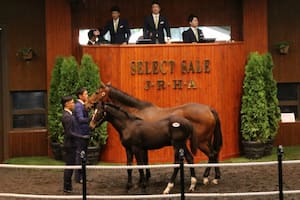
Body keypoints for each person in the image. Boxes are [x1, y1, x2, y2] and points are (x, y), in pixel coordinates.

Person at [61, 95, 89, 193]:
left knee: (71, 165)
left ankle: (68, 186)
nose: (73, 104)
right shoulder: (67, 117)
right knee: (69, 166)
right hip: (70, 145)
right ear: (67, 104)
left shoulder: (69, 115)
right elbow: (69, 133)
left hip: (71, 144)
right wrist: (81, 137)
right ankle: (67, 187)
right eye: (72, 102)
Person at [74, 87, 91, 184]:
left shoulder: (82, 105)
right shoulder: (78, 106)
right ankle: (78, 177)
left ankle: (82, 177)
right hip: (80, 134)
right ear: (80, 96)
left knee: (83, 156)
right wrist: (91, 119)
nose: (87, 95)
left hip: (84, 134)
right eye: (86, 94)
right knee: (80, 155)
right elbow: (80, 120)